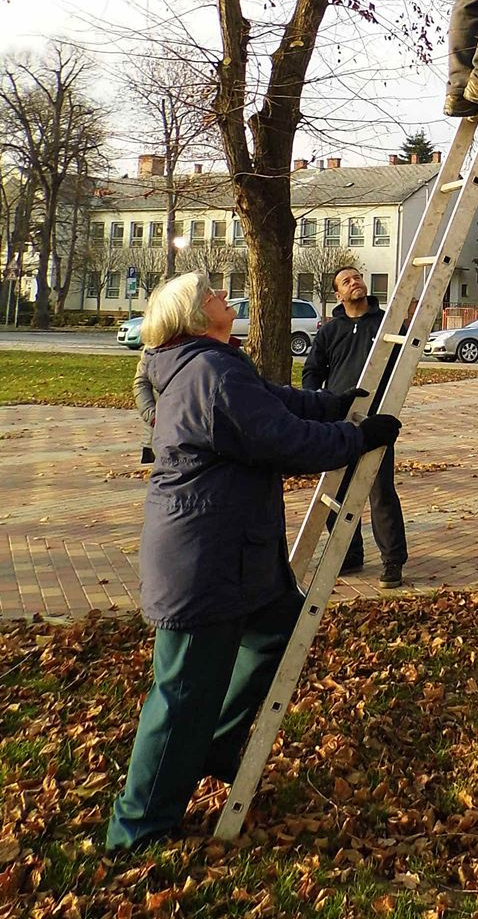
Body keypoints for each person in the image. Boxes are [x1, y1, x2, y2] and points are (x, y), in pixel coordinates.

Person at [106, 271, 400, 851]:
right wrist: (355, 439)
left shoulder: (211, 364)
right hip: (204, 561)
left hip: (238, 557)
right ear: (195, 317)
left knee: (278, 629)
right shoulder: (208, 372)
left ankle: (215, 744)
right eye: (214, 295)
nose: (226, 298)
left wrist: (333, 404)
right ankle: (135, 830)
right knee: (181, 694)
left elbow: (276, 401)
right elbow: (281, 440)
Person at [302, 264, 407, 590]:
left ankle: (392, 560)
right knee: (337, 490)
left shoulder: (387, 324)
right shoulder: (330, 331)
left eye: (357, 277)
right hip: (339, 422)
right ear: (338, 293)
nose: (355, 283)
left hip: (377, 422)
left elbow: (403, 362)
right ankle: (349, 553)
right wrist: (316, 403)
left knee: (380, 491)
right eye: (347, 281)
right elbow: (312, 371)